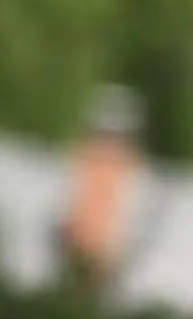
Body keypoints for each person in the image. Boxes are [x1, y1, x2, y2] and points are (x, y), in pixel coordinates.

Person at [60, 85, 146, 292]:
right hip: (81, 242)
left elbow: (128, 209)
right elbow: (72, 198)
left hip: (103, 250)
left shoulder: (127, 163)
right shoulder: (86, 155)